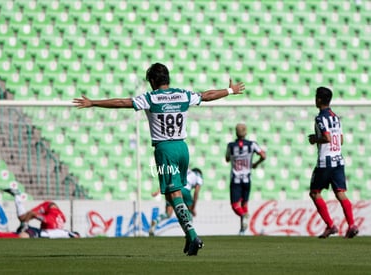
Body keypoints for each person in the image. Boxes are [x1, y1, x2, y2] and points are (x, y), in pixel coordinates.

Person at [73, 63, 245, 255]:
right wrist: (230, 90)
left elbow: (122, 103)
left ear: (154, 81)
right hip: (182, 148)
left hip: (165, 150)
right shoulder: (182, 94)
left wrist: (93, 102)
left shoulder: (151, 97)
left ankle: (193, 235)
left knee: (173, 195)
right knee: (175, 193)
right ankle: (189, 239)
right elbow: (206, 96)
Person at [308, 86, 359, 238]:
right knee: (340, 193)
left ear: (318, 99)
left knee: (315, 193)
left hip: (326, 162)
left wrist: (314, 139)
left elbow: (327, 138)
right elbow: (340, 140)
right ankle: (351, 225)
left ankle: (330, 226)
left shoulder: (319, 118)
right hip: (338, 160)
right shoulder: (335, 117)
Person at [0, 188, 79, 239]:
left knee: (21, 233)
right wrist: (24, 224)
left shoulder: (56, 225)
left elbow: (61, 219)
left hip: (48, 217)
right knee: (22, 219)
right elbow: (34, 214)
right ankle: (17, 196)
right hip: (48, 207)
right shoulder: (52, 223)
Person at [225, 123, 266, 235]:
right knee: (244, 204)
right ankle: (243, 231)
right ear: (246, 132)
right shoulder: (252, 144)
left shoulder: (231, 146)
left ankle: (243, 216)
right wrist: (255, 164)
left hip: (236, 179)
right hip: (247, 179)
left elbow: (227, 159)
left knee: (235, 205)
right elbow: (263, 155)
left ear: (236, 132)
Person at [149, 167, 203, 237]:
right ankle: (190, 234)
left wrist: (158, 191)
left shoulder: (185, 170)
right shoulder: (198, 175)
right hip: (184, 190)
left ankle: (155, 221)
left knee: (168, 213)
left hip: (172, 189)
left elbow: (169, 179)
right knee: (189, 212)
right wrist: (193, 208)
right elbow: (196, 192)